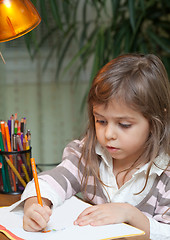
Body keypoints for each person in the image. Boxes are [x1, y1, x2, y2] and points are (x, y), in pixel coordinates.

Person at [22, 54, 170, 240]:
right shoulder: (87, 154)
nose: (108, 134)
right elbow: (49, 183)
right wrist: (34, 206)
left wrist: (130, 214)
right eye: (100, 120)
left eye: (124, 124)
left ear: (157, 120)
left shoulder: (165, 175)